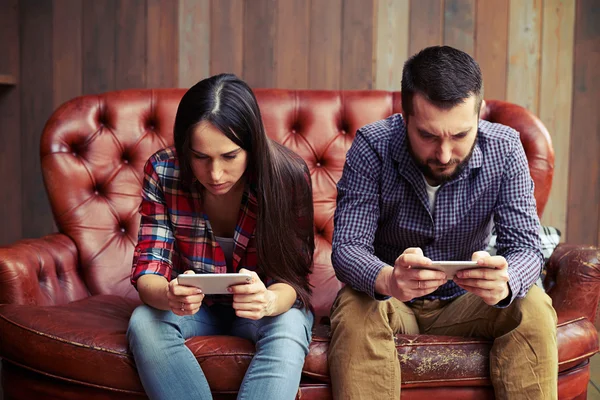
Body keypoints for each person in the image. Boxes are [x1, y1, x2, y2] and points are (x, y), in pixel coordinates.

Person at [328, 46, 557, 399]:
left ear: (479, 115)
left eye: (460, 135)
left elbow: (526, 247)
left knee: (534, 305)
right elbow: (348, 247)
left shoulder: (506, 148)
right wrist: (389, 279)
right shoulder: (373, 145)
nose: (445, 154)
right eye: (429, 136)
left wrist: (506, 280)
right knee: (354, 304)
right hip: (393, 302)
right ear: (405, 118)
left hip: (467, 302)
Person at [127, 73, 315, 400]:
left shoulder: (288, 175)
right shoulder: (163, 171)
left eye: (229, 157)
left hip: (261, 310)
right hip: (194, 311)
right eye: (201, 157)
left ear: (252, 146)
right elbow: (149, 269)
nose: (214, 175)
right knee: (144, 321)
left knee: (289, 323)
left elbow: (292, 280)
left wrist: (268, 300)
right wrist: (170, 296)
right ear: (186, 148)